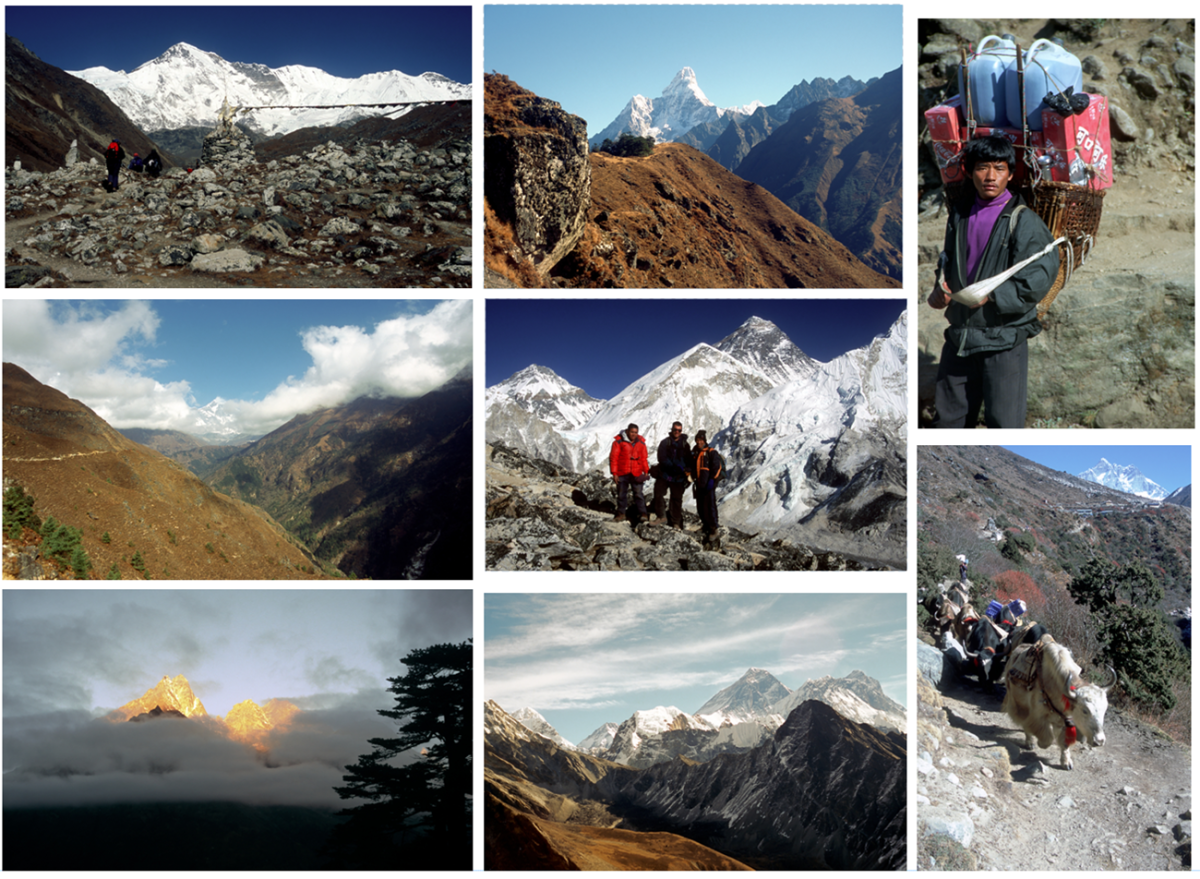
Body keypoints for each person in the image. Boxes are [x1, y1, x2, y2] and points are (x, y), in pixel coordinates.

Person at [928, 134, 1059, 428]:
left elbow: (1041, 273)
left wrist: (995, 296)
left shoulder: (1023, 221)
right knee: (947, 424)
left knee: (1004, 423)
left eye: (999, 169)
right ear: (969, 171)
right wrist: (941, 289)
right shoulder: (960, 215)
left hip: (1003, 339)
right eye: (982, 167)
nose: (990, 177)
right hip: (960, 336)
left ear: (1011, 174)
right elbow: (948, 260)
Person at [652, 421, 690, 528]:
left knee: (677, 499)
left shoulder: (685, 445)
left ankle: (675, 522)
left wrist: (686, 470)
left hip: (678, 477)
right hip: (665, 474)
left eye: (679, 430)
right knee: (658, 493)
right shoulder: (665, 443)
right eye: (675, 430)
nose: (677, 432)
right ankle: (661, 516)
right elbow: (662, 458)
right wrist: (674, 467)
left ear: (681, 431)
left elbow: (689, 460)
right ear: (672, 430)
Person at [609, 423, 650, 523]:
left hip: (636, 472)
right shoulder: (618, 442)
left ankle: (643, 513)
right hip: (622, 472)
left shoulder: (641, 443)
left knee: (638, 494)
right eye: (632, 432)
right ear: (627, 431)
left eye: (635, 432)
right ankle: (621, 514)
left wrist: (646, 470)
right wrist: (614, 473)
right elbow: (614, 458)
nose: (634, 434)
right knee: (622, 494)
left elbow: (644, 458)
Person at [693, 430, 723, 545]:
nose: (699, 442)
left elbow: (716, 467)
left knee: (710, 506)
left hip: (708, 485)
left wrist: (711, 480)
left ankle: (714, 529)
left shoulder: (711, 452)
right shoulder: (695, 452)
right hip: (699, 485)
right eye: (697, 440)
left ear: (705, 441)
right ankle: (706, 526)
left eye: (701, 440)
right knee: (701, 507)